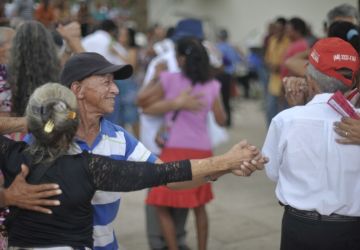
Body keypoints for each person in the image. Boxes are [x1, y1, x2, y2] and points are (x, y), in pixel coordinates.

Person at [2, 82, 264, 249]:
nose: (115, 88)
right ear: (72, 124)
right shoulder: (91, 168)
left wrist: (28, 122)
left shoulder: (13, 155)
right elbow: (165, 172)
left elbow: (168, 175)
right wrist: (226, 161)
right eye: (107, 81)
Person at [263, 37, 360, 250]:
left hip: (299, 228)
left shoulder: (286, 120)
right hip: (352, 232)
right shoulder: (357, 124)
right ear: (352, 81)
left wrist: (297, 110)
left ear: (310, 79)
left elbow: (272, 172)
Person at [140, 37, 226, 250]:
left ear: (180, 59)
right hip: (202, 150)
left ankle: (172, 247)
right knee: (199, 206)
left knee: (160, 203)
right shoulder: (213, 85)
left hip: (174, 149)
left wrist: (169, 97)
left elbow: (143, 102)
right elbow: (221, 119)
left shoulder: (169, 79)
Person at [264, 17, 290, 126]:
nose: (277, 31)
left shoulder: (289, 42)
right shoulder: (272, 40)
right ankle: (271, 134)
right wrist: (270, 65)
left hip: (285, 82)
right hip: (273, 82)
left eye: (280, 28)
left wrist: (279, 67)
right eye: (276, 28)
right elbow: (267, 58)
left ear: (284, 29)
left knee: (285, 111)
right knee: (270, 110)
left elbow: (289, 62)